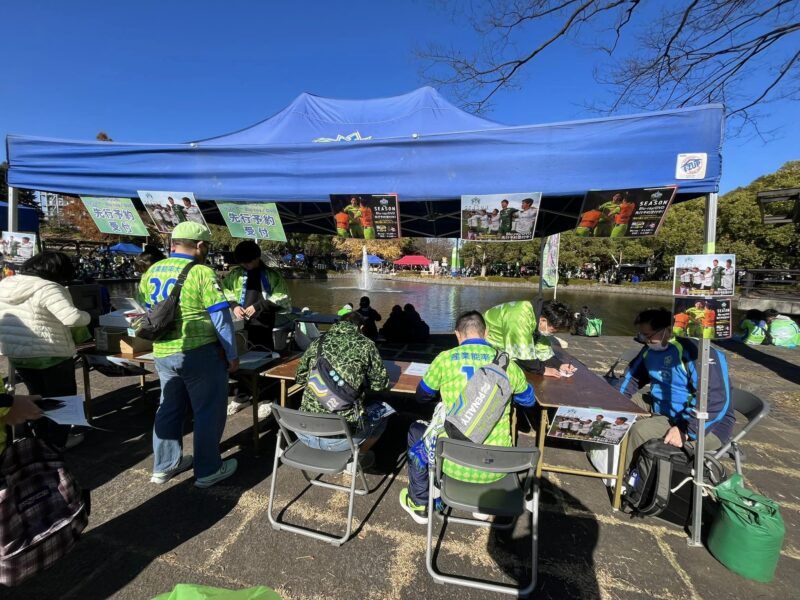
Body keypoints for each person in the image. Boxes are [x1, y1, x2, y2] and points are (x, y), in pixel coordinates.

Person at [399, 311, 535, 523]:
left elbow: (421, 396)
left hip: (451, 462)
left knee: (416, 431)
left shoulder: (445, 359)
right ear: (486, 333)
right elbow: (529, 401)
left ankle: (419, 503)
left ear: (457, 334)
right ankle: (482, 506)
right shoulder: (509, 365)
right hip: (498, 467)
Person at [138, 222, 239, 488]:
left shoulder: (151, 271)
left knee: (169, 407)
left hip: (162, 352)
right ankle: (208, 470)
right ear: (200, 245)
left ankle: (164, 466)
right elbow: (221, 318)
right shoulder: (202, 272)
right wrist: (232, 353)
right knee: (207, 411)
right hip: (199, 353)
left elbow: (149, 311)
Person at [617, 308, 734, 469]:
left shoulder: (697, 353)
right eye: (642, 336)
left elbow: (716, 399)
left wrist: (686, 430)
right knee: (620, 406)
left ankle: (624, 478)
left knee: (640, 430)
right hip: (663, 407)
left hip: (705, 425)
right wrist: (615, 401)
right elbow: (632, 378)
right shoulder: (650, 349)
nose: (645, 340)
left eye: (648, 336)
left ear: (668, 330)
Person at [0, 252, 91, 449]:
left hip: (18, 354)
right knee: (61, 400)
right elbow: (72, 319)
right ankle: (59, 442)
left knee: (36, 397)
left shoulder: (6, 284)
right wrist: (87, 316)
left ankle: (41, 440)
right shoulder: (49, 287)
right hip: (51, 354)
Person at [294, 311, 390, 464]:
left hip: (304, 432)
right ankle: (360, 458)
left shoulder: (319, 341)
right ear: (361, 327)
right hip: (341, 439)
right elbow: (380, 385)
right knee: (384, 412)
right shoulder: (366, 345)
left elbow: (300, 377)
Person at [222, 240, 291, 416]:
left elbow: (282, 296)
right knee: (239, 359)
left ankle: (267, 397)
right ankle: (243, 395)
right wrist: (234, 305)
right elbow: (225, 290)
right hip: (239, 323)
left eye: (248, 262)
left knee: (264, 359)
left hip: (263, 323)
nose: (245, 265)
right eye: (242, 262)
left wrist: (260, 306)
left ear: (257, 258)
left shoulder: (271, 275)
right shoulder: (235, 274)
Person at [484, 299, 575, 377]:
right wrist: (543, 370)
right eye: (553, 331)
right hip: (486, 343)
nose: (552, 334)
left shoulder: (535, 314)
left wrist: (559, 365)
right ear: (543, 320)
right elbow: (524, 355)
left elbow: (541, 347)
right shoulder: (520, 318)